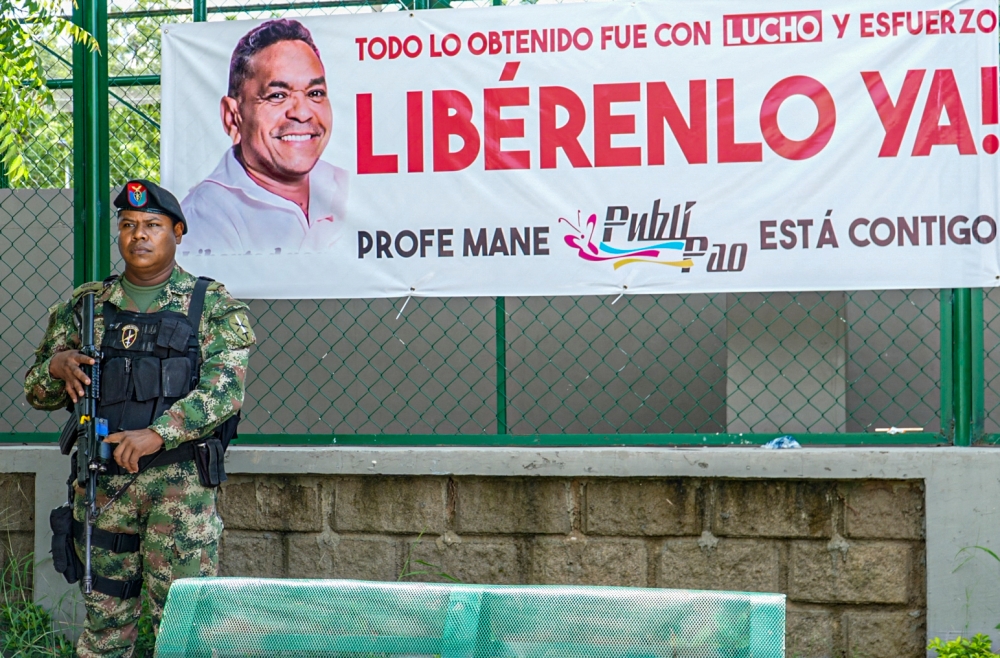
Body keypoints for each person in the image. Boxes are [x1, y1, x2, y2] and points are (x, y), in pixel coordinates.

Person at [24, 179, 256, 657]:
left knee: (188, 631)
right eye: (128, 226)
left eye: (152, 225)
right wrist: (56, 365)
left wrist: (157, 434)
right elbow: (38, 392)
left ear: (177, 231)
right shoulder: (86, 306)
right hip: (104, 487)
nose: (139, 236)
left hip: (180, 492)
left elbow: (225, 390)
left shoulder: (210, 305)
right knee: (105, 627)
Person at [180, 18, 348, 256]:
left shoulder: (347, 185)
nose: (301, 113)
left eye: (315, 93)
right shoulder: (205, 214)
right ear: (233, 116)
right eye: (277, 95)